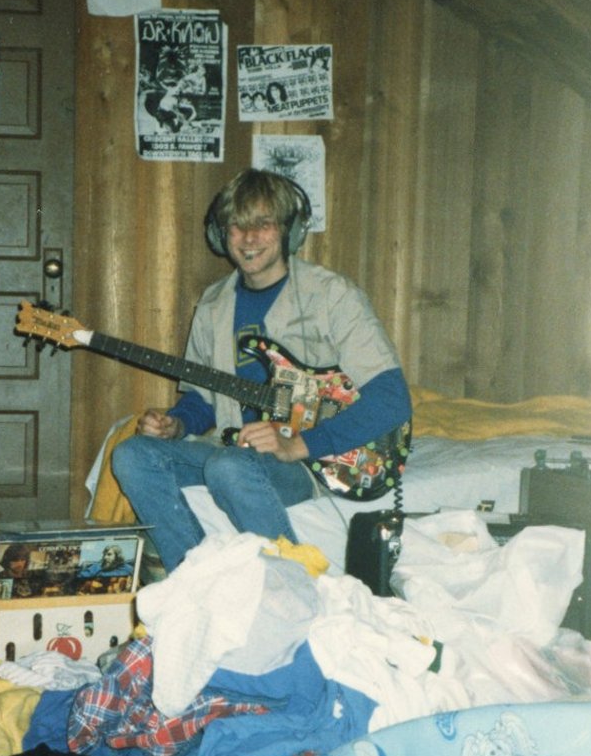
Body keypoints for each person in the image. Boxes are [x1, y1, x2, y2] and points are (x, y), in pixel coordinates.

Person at [111, 169, 411, 572]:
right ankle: (193, 576)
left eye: (263, 224)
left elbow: (392, 400)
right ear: (222, 235)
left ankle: (295, 582)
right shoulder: (213, 304)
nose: (248, 238)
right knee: (132, 455)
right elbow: (205, 398)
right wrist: (177, 425)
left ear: (290, 231)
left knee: (228, 466)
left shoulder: (332, 296)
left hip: (313, 461)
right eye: (237, 226)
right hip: (236, 450)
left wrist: (298, 444)